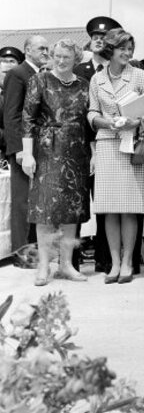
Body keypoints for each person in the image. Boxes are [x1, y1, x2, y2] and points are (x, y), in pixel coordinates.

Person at [88, 28, 144, 284]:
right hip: (108, 144)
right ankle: (114, 263)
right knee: (109, 209)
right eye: (123, 48)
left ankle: (129, 261)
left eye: (130, 48)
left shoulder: (139, 75)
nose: (128, 53)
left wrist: (137, 121)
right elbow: (91, 112)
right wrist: (105, 122)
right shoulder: (96, 79)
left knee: (130, 209)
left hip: (132, 144)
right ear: (111, 49)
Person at [20, 40, 91, 286]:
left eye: (66, 58)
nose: (61, 61)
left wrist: (91, 152)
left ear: (76, 59)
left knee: (71, 211)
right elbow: (27, 118)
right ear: (52, 56)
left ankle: (66, 264)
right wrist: (28, 154)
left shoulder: (84, 85)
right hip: (47, 151)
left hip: (77, 151)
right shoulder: (39, 80)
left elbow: (88, 123)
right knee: (45, 211)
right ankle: (43, 265)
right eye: (57, 56)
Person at [75, 16, 118, 275]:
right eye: (95, 37)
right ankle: (74, 259)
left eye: (104, 37)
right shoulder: (80, 72)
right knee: (79, 205)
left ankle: (105, 258)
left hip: (109, 147)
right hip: (82, 149)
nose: (99, 40)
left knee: (105, 204)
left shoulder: (117, 70)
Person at [3, 35, 49, 252]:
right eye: (41, 48)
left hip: (42, 147)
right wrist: (19, 150)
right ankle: (22, 251)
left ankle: (37, 249)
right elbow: (11, 115)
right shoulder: (17, 74)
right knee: (22, 201)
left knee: (38, 200)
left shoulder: (44, 75)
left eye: (47, 48)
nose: (46, 52)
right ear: (28, 50)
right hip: (23, 148)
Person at [0, 47, 25, 159]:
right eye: (4, 61)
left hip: (24, 152)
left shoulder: (27, 93)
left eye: (12, 61)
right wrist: (13, 138)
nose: (7, 64)